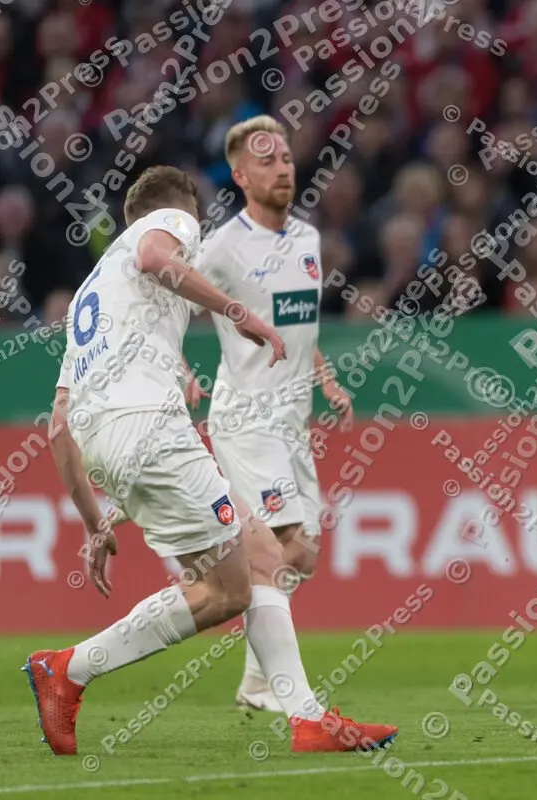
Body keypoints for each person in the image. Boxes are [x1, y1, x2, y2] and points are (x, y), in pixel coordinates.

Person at [25, 165, 397, 755]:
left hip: (107, 444)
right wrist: (237, 312)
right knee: (239, 583)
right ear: (184, 214)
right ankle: (69, 670)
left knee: (254, 567)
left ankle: (305, 718)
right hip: (151, 429)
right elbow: (155, 256)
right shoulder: (169, 220)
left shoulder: (87, 300)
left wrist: (95, 519)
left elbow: (59, 426)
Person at [184, 116, 354, 713]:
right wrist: (179, 365)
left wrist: (325, 375)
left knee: (301, 554)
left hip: (292, 419)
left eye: (284, 156)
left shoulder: (306, 239)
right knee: (282, 543)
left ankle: (256, 678)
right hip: (246, 416)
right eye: (266, 160)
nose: (281, 167)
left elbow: (296, 326)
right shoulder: (223, 247)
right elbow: (171, 298)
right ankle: (288, 692)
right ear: (239, 175)